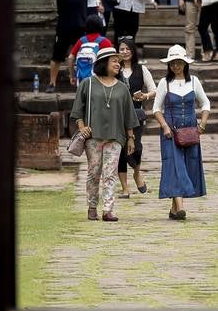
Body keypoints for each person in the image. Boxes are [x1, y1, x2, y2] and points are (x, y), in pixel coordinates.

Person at [71, 45, 137, 222]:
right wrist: (81, 127)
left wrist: (131, 137)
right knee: (94, 172)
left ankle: (108, 210)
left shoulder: (123, 88)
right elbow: (77, 109)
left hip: (115, 137)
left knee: (110, 173)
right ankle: (92, 207)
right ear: (103, 63)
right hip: (93, 137)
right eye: (114, 61)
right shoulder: (87, 84)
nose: (118, 64)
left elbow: (129, 116)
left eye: (119, 62)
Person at [152, 44, 210, 220]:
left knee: (186, 166)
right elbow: (156, 108)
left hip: (190, 130)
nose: (175, 66)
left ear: (185, 63)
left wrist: (202, 124)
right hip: (170, 131)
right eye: (172, 63)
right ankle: (181, 207)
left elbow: (205, 103)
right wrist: (164, 126)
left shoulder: (194, 81)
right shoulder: (164, 83)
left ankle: (173, 209)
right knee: (174, 165)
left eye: (178, 62)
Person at [114, 37, 155, 198]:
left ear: (133, 51)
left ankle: (137, 172)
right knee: (120, 150)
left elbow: (154, 89)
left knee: (135, 147)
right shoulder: (115, 69)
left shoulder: (141, 69)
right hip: (117, 115)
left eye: (127, 49)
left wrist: (145, 96)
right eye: (121, 49)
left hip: (136, 114)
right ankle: (125, 188)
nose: (124, 52)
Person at [46, 0, 84, 92]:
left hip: (80, 23)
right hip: (64, 24)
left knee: (82, 55)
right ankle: (52, 83)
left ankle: (81, 83)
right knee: (57, 55)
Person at [68, 15, 112, 84]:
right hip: (100, 80)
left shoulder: (81, 41)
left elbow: (70, 58)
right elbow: (111, 60)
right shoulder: (105, 42)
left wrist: (72, 76)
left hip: (82, 79)